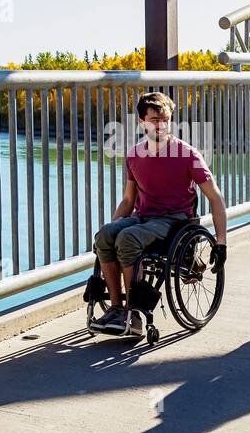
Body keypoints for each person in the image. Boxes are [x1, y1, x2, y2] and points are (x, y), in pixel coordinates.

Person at [91, 91, 228, 335]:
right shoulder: (134, 155)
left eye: (165, 119)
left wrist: (221, 243)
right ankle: (115, 308)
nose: (161, 125)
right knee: (105, 235)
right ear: (141, 122)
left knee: (128, 238)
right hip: (143, 217)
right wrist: (108, 234)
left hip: (174, 220)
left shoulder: (187, 154)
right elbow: (128, 201)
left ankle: (134, 314)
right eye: (155, 120)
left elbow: (215, 197)